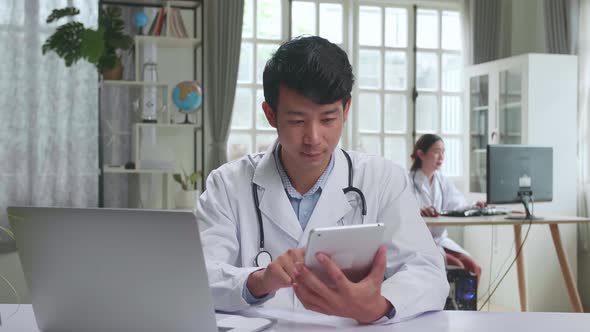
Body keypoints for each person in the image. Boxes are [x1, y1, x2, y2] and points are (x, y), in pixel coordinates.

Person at [196, 36, 448, 324]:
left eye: (328, 119)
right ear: (270, 114)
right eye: (297, 121)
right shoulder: (227, 185)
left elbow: (428, 272)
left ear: (346, 110)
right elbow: (198, 275)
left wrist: (378, 305)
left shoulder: (383, 179)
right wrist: (259, 280)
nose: (314, 138)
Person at [408, 133, 483, 281]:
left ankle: (469, 305)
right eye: (436, 151)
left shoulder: (442, 181)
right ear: (421, 154)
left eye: (443, 151)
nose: (441, 156)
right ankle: (450, 304)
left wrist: (475, 206)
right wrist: (418, 211)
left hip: (440, 239)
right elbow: (400, 212)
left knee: (475, 268)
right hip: (419, 242)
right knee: (458, 267)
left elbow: (458, 205)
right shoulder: (407, 180)